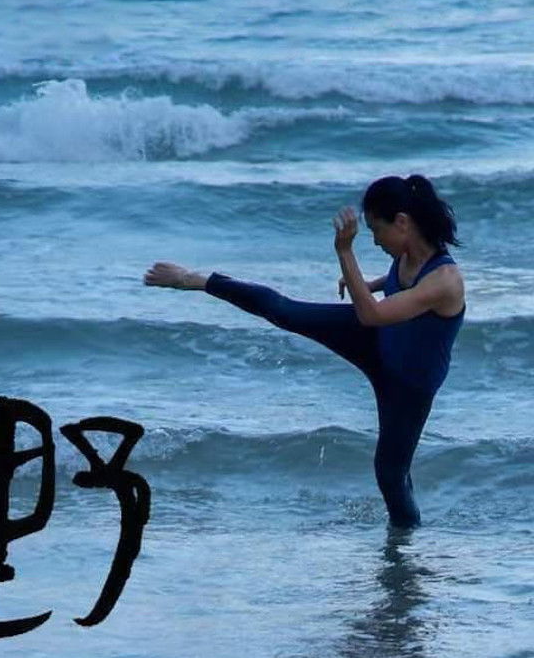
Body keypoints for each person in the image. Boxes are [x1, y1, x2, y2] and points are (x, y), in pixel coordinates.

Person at [143, 174, 465, 529]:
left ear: (402, 223)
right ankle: (195, 279)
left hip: (408, 383)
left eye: (376, 230)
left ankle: (404, 542)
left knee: (390, 472)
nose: (374, 241)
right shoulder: (407, 253)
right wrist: (370, 283)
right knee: (285, 311)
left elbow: (372, 314)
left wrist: (345, 252)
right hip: (380, 341)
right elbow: (398, 288)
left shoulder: (445, 281)